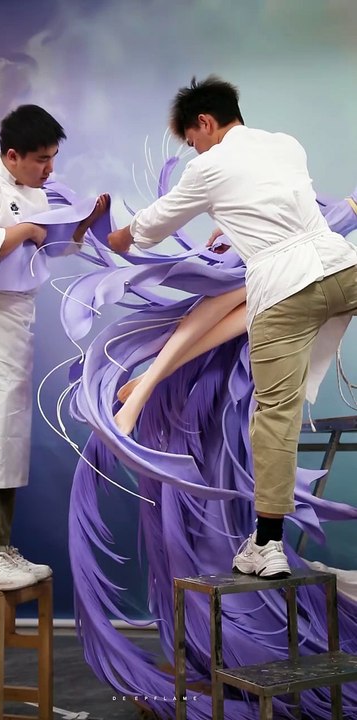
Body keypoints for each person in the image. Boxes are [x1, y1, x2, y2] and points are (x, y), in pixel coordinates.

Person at [108, 76, 357, 579]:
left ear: (204, 122)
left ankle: (267, 544)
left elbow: (151, 227)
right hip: (342, 267)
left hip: (284, 290)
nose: (195, 151)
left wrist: (114, 238)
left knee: (275, 416)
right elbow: (275, 200)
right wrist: (232, 221)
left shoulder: (208, 167)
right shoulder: (285, 144)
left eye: (193, 141)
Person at [0, 104, 108, 590]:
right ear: (12, 155)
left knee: (6, 435)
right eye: (41, 159)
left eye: (53, 157)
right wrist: (26, 229)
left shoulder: (37, 191)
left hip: (17, 319)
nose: (49, 169)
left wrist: (81, 225)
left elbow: (52, 246)